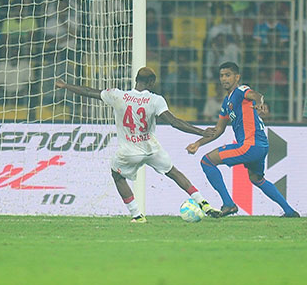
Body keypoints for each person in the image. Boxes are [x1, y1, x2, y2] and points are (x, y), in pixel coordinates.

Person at [55, 67, 221, 223]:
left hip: (129, 152)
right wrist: (201, 132)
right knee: (173, 172)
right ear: (151, 83)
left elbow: (89, 92)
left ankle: (137, 215)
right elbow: (174, 122)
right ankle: (203, 202)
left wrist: (66, 85)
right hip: (151, 148)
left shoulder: (117, 95)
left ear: (135, 79)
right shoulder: (155, 100)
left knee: (117, 175)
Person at [186, 62, 300, 217]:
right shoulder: (227, 102)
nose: (224, 79)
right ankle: (290, 211)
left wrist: (260, 103)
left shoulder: (241, 90)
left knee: (207, 161)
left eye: (228, 75)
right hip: (260, 145)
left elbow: (256, 95)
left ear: (237, 77)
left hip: (250, 145)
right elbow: (218, 129)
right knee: (256, 178)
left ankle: (229, 204)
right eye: (221, 75)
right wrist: (198, 143)